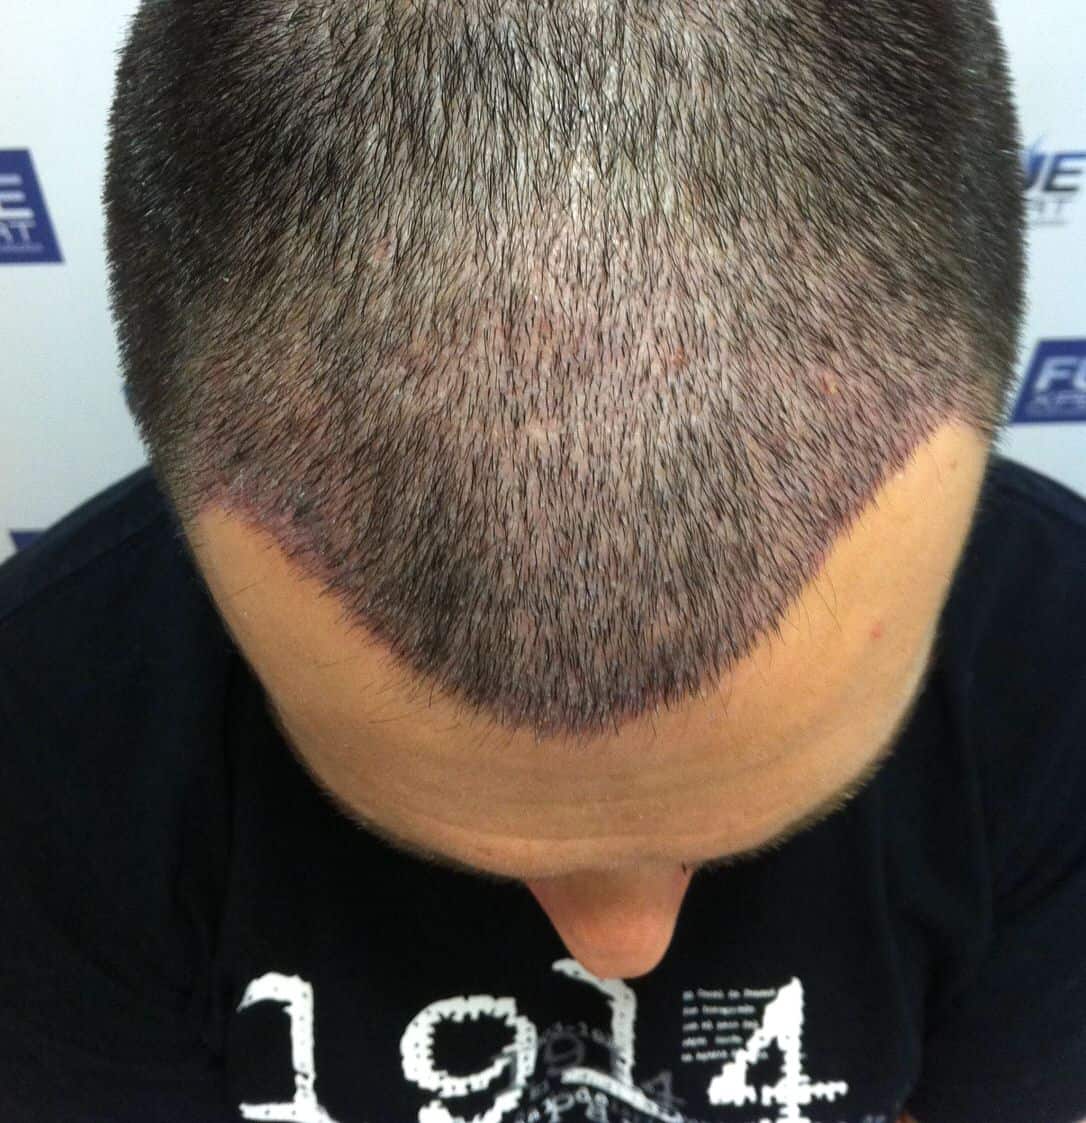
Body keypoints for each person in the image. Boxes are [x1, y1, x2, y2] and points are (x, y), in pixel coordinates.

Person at [2, 0, 1084, 1120]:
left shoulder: (1058, 674)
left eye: (761, 830)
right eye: (444, 838)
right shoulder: (52, 738)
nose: (622, 950)